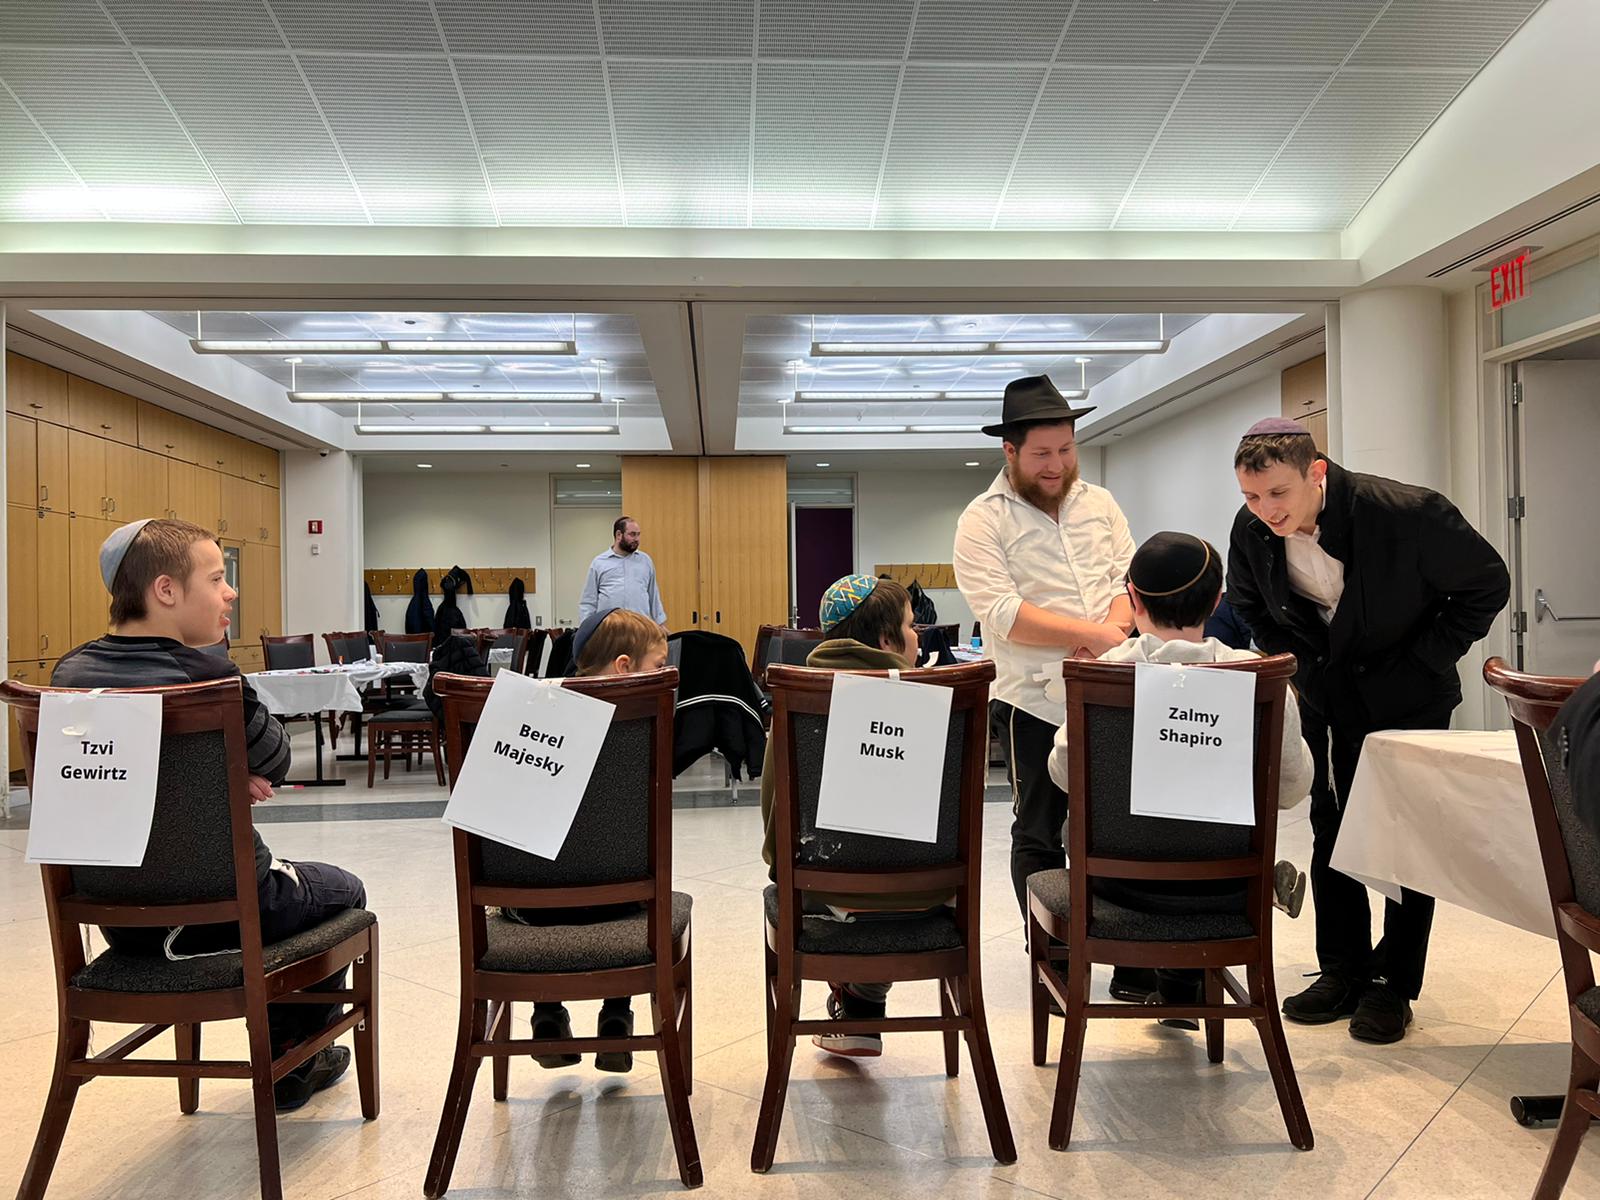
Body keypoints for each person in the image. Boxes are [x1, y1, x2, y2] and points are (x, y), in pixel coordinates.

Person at [50, 518, 365, 1111]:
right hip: (226, 914)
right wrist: (228, 767)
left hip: (119, 917)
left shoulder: (69, 678)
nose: (231, 592)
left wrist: (212, 773)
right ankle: (295, 1054)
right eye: (217, 578)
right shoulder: (208, 676)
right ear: (166, 590)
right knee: (343, 889)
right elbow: (276, 758)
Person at [1227, 419, 1510, 1043]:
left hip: (1410, 696)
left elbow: (1487, 584)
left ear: (1316, 472)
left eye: (1278, 493)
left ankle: (1393, 983)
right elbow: (1247, 605)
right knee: (1332, 824)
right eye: (1251, 496)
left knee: (1407, 836)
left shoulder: (1408, 513)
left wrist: (1423, 661)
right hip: (1327, 693)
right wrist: (1298, 665)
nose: (1266, 510)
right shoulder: (1252, 530)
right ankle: (1343, 969)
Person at [1050, 532, 1314, 1028]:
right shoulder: (1259, 677)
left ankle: (1171, 982)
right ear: (1217, 601)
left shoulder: (1102, 675)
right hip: (1227, 887)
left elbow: (1063, 774)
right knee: (1204, 833)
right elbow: (1291, 790)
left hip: (1118, 887)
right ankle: (1182, 980)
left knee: (1075, 827)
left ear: (1133, 599)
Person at [952, 375, 1152, 1001]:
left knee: (1116, 826)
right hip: (1031, 701)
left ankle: (1129, 961)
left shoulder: (1101, 504)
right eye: (1042, 453)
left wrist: (1111, 634)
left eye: (1066, 449)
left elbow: (1126, 581)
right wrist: (1094, 634)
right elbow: (1002, 611)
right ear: (1009, 451)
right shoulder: (982, 520)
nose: (1057, 464)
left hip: (1109, 692)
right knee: (1040, 829)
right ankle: (1056, 958)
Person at [758, 574, 946, 1059]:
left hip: (824, 894)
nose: (917, 636)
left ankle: (859, 1001)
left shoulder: (796, 701)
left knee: (840, 881)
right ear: (885, 640)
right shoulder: (942, 699)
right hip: (926, 897)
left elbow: (774, 832)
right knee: (889, 870)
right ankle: (863, 1002)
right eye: (911, 626)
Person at [519, 607, 669, 1074]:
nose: (665, 676)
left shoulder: (530, 723)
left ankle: (546, 1014)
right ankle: (617, 1016)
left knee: (546, 873)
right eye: (658, 666)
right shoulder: (641, 730)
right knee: (630, 879)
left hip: (532, 909)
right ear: (624, 667)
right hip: (620, 905)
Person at [577, 516, 667, 627]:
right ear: (619, 535)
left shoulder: (645, 561)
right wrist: (586, 629)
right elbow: (588, 601)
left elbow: (654, 597)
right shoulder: (599, 563)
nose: (637, 539)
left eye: (638, 534)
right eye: (632, 534)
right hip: (609, 629)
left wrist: (661, 626)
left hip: (640, 628)